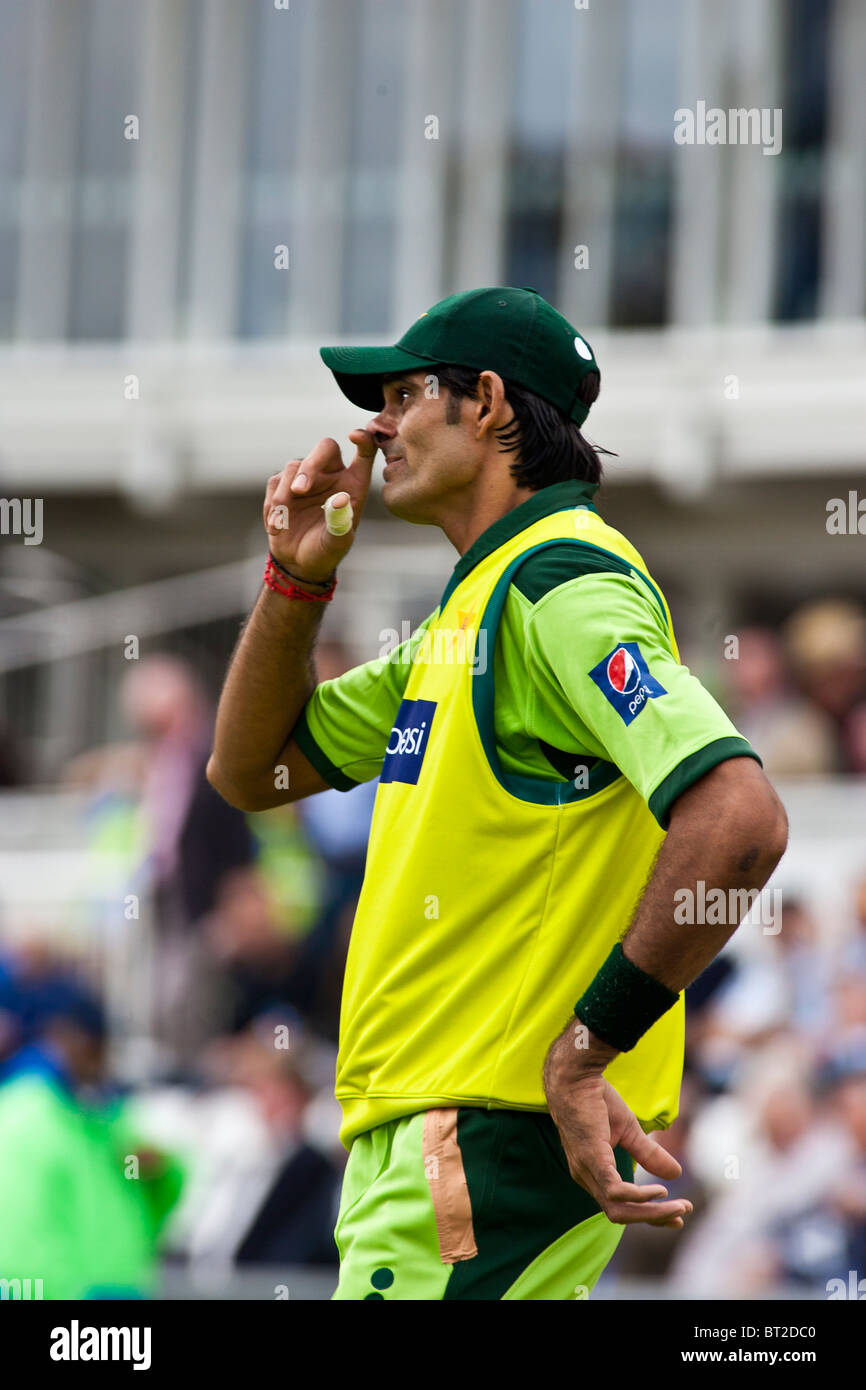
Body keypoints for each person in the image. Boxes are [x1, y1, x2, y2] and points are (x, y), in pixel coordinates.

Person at [207, 286, 787, 1300]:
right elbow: (251, 770)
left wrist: (581, 1050)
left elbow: (738, 820)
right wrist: (294, 580)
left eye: (401, 393)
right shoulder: (470, 611)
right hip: (460, 1136)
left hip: (479, 1134)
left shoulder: (556, 584)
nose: (375, 425)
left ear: (483, 401)